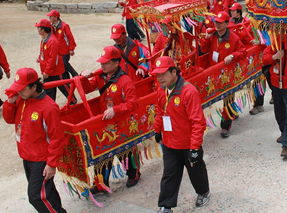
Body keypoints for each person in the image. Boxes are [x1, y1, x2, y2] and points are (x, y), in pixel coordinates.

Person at [2, 67, 67, 213]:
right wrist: (10, 102)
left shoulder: (49, 107)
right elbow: (9, 119)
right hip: (27, 155)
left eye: (22, 89)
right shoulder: (21, 99)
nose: (19, 91)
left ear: (34, 86)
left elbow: (57, 138)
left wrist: (51, 164)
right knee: (47, 192)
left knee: (36, 196)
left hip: (41, 159)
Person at [152, 56, 210, 213]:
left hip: (188, 143)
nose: (159, 78)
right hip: (169, 142)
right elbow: (159, 112)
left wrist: (195, 147)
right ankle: (166, 206)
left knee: (196, 171)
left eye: (162, 74)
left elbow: (198, 122)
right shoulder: (161, 91)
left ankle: (203, 192)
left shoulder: (189, 91)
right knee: (170, 174)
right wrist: (157, 130)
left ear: (173, 72)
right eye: (157, 75)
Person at [82, 46, 140, 190]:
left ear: (116, 63)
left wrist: (116, 109)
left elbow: (133, 103)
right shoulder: (100, 77)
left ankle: (134, 173)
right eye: (102, 63)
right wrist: (84, 78)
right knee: (103, 152)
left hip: (121, 121)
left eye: (106, 63)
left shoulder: (125, 81)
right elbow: (87, 89)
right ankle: (101, 183)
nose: (102, 65)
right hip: (106, 122)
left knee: (124, 151)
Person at [199, 11, 245, 137]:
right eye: (216, 23)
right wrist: (204, 39)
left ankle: (225, 126)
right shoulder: (212, 35)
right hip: (213, 72)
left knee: (228, 99)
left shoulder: (233, 38)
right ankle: (233, 113)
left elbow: (242, 52)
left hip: (227, 74)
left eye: (220, 23)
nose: (217, 25)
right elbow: (203, 50)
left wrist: (232, 55)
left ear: (226, 23)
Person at [263, 42, 287, 160]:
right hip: (276, 84)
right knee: (279, 113)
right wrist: (274, 57)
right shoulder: (274, 43)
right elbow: (264, 58)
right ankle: (284, 133)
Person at [35, 19, 69, 101]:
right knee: (49, 90)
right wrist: (40, 58)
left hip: (55, 70)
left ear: (43, 29)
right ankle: (51, 104)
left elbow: (52, 59)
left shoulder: (52, 41)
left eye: (38, 28)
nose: (37, 30)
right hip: (47, 70)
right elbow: (43, 52)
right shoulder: (44, 38)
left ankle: (72, 100)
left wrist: (47, 71)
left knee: (63, 86)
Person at [46, 10, 78, 78]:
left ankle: (75, 75)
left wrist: (71, 49)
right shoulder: (51, 26)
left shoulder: (64, 26)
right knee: (61, 67)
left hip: (65, 51)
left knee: (64, 64)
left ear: (55, 17)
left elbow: (70, 38)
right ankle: (67, 81)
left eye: (50, 17)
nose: (49, 18)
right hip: (57, 52)